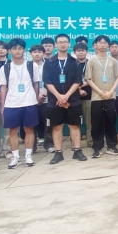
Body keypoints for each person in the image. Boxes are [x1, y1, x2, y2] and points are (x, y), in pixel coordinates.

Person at [43, 34, 87, 165]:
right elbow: (47, 81)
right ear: (56, 45)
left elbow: (77, 81)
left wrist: (66, 96)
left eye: (65, 42)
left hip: (72, 100)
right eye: (60, 42)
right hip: (54, 101)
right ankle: (58, 153)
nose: (63, 44)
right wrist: (58, 96)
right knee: (57, 127)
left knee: (74, 126)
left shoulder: (75, 62)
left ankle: (77, 151)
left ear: (69, 44)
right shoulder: (49, 62)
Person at [0, 39, 40, 169]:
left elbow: (36, 84)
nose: (17, 51)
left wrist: (35, 100)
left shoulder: (32, 66)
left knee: (29, 129)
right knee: (13, 131)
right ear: (9, 51)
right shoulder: (5, 68)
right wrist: (3, 106)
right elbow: (3, 88)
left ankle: (28, 155)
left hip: (29, 102)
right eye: (14, 48)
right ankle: (15, 157)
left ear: (24, 50)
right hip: (12, 104)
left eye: (20, 48)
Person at [84, 35, 118, 158]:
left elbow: (117, 78)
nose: (102, 45)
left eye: (105, 43)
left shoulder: (113, 61)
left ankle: (111, 146)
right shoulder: (91, 61)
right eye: (100, 43)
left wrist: (110, 92)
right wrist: (100, 92)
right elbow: (89, 79)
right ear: (95, 45)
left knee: (111, 122)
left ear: (108, 45)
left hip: (110, 97)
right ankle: (97, 148)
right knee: (96, 124)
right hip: (96, 97)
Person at [29, 44, 50, 153]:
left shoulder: (48, 65)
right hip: (31, 99)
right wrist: (36, 95)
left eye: (39, 52)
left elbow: (52, 81)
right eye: (34, 52)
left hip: (47, 98)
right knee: (32, 124)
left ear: (43, 53)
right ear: (30, 54)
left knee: (48, 123)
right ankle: (32, 146)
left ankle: (49, 144)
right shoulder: (27, 66)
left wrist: (45, 93)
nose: (37, 54)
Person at [74, 42, 92, 146]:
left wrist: (82, 85)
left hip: (89, 96)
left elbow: (94, 78)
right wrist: (79, 89)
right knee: (75, 122)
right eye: (78, 51)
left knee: (89, 121)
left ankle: (90, 141)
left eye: (83, 50)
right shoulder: (71, 64)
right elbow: (69, 81)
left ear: (86, 52)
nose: (81, 52)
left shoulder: (91, 63)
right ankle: (75, 143)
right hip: (74, 97)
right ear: (75, 52)